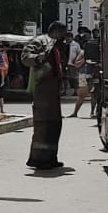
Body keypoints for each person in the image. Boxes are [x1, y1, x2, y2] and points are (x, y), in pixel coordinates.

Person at [23, 23, 69, 170]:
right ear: (55, 31)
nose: (64, 36)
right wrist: (39, 57)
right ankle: (38, 160)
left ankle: (51, 158)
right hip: (43, 88)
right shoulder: (40, 41)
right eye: (62, 33)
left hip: (54, 88)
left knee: (55, 125)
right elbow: (25, 57)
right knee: (43, 125)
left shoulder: (58, 45)